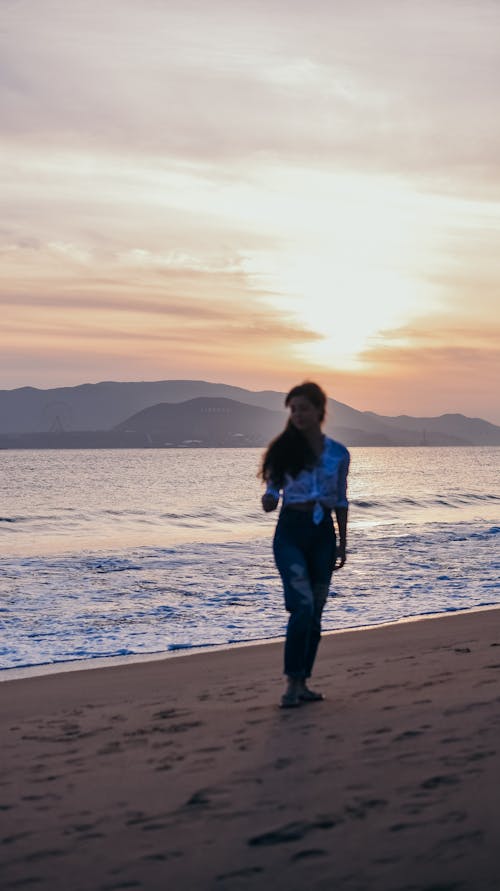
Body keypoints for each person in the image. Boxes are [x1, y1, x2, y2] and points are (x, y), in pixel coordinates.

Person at [260, 381, 350, 708]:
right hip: (290, 532)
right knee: (302, 605)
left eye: (304, 408)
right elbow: (272, 489)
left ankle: (303, 683)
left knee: (316, 612)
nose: (297, 414)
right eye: (293, 409)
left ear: (319, 411)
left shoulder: (338, 453)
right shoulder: (282, 449)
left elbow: (340, 499)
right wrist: (269, 499)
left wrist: (342, 542)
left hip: (323, 534)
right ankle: (290, 685)